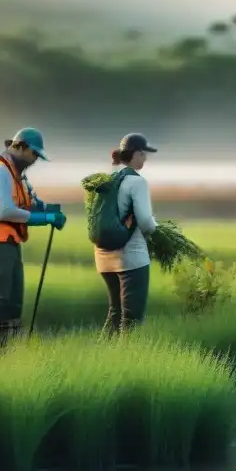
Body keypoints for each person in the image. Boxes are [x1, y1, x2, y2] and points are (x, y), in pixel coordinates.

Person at [0, 127, 67, 350]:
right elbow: (5, 212)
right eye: (34, 154)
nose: (35, 159)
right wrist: (45, 218)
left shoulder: (16, 174)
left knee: (13, 302)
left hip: (9, 242)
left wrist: (47, 208)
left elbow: (28, 201)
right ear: (21, 147)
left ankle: (5, 353)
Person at [94, 133, 159, 334]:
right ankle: (123, 360)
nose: (145, 159)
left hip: (103, 256)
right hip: (130, 257)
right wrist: (158, 234)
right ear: (137, 153)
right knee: (131, 319)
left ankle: (102, 358)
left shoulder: (106, 178)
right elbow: (146, 222)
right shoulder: (136, 182)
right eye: (144, 154)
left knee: (115, 313)